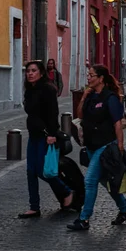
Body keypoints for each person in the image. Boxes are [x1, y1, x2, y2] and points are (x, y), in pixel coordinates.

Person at [67, 64, 126, 231]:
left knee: (89, 181)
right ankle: (124, 210)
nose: (88, 78)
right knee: (105, 182)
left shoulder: (110, 98)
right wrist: (83, 98)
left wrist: (120, 146)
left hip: (105, 146)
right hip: (91, 145)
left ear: (101, 78)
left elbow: (117, 123)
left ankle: (84, 219)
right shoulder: (90, 96)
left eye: (91, 76)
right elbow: (80, 115)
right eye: (88, 75)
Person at [18, 60, 73, 219]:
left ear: (41, 73)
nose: (30, 73)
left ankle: (67, 192)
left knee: (44, 171)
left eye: (33, 71)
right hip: (34, 135)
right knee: (30, 171)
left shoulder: (48, 90)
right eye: (28, 71)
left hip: (45, 135)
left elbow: (52, 113)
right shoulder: (29, 90)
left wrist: (51, 134)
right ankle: (34, 207)